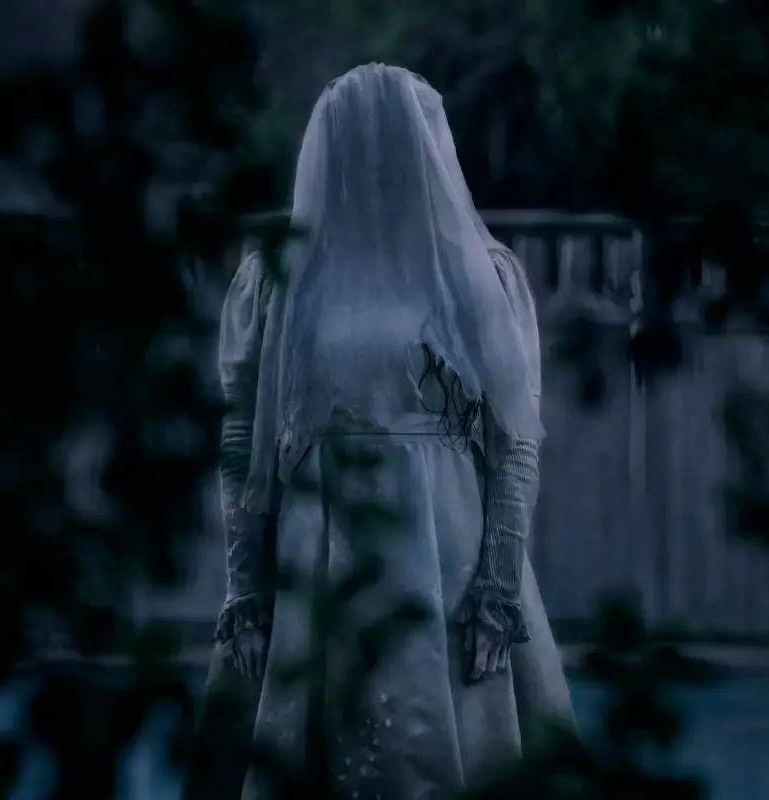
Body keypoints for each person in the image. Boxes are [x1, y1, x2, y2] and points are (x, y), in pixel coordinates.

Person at [183, 63, 576, 800]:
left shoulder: (476, 276)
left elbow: (514, 444)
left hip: (448, 555)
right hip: (320, 559)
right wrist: (246, 589)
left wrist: (497, 591)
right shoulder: (279, 279)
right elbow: (241, 440)